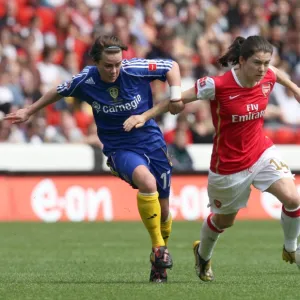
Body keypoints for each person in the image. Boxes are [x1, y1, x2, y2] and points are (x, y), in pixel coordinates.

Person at [4, 35, 185, 283]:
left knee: (164, 210)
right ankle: (158, 248)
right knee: (147, 182)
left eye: (117, 64)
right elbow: (57, 91)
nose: (113, 70)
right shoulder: (86, 80)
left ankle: (159, 264)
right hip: (119, 148)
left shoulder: (134, 69)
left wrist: (175, 95)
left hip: (153, 143)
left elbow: (172, 66)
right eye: (107, 66)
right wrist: (28, 110)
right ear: (96, 62)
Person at [123, 35, 300, 282]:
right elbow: (178, 99)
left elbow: (275, 72)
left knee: (293, 198)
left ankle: (292, 247)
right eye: (257, 63)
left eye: (265, 63)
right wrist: (145, 116)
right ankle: (203, 255)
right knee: (224, 220)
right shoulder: (216, 85)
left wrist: (294, 89)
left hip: (261, 151)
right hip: (228, 167)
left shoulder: (266, 74)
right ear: (241, 61)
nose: (262, 69)